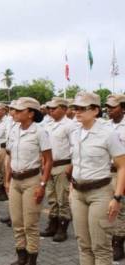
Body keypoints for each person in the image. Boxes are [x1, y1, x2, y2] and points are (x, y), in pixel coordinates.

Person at [67, 92, 125, 265]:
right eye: (76, 108)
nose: (77, 112)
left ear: (95, 110)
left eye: (82, 108)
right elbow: (76, 162)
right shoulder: (75, 132)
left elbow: (122, 166)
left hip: (100, 193)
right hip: (78, 193)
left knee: (100, 246)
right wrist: (72, 187)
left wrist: (117, 197)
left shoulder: (107, 134)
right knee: (83, 245)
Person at [5, 97, 52, 265]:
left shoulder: (39, 132)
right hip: (16, 181)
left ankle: (32, 259)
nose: (15, 113)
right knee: (17, 223)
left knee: (30, 224)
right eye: (14, 110)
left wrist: (42, 185)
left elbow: (48, 160)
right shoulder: (13, 130)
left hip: (32, 180)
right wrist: (7, 180)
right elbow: (10, 157)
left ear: (31, 113)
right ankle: (21, 256)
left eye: (19, 110)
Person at [40, 97, 75, 243]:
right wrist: (43, 163)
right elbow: (45, 148)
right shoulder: (48, 125)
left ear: (64, 109)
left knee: (63, 199)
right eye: (50, 109)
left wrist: (71, 165)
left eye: (54, 108)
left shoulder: (71, 125)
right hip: (50, 165)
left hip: (63, 165)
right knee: (52, 198)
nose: (51, 111)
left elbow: (75, 147)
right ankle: (52, 224)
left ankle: (62, 228)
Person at [105, 94, 125, 261]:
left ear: (122, 108)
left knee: (121, 208)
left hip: (122, 172)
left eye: (113, 107)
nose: (109, 110)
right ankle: (112, 240)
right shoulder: (105, 126)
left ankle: (118, 243)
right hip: (107, 171)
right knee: (109, 207)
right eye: (108, 107)